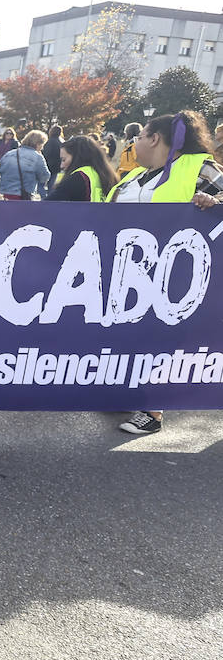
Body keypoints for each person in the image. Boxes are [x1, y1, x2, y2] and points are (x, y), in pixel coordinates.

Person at [107, 110, 223, 436]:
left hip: (173, 277)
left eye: (140, 136)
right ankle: (127, 392)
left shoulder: (200, 167)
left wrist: (213, 200)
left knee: (161, 340)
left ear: (155, 138)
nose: (135, 142)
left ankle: (153, 410)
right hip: (127, 272)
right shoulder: (133, 176)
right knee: (130, 336)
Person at [48, 135, 118, 202]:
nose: (61, 166)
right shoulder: (106, 174)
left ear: (77, 158)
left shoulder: (77, 178)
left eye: (63, 160)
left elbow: (46, 204)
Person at [0, 130, 50, 200]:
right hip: (23, 195)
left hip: (3, 195)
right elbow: (44, 177)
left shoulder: (8, 154)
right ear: (38, 144)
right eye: (42, 145)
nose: (42, 148)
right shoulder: (37, 157)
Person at [42, 124, 64, 195]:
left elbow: (46, 154)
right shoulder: (62, 142)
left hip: (49, 165)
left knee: (42, 185)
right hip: (58, 166)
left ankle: (46, 199)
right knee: (52, 186)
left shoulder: (50, 141)